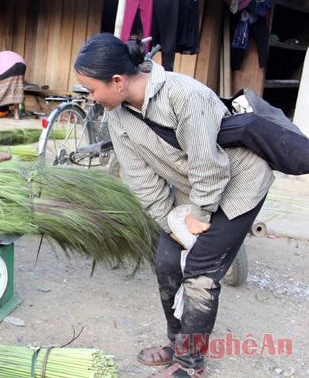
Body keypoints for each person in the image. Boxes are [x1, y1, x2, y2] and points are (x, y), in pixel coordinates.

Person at [74, 33, 273, 377]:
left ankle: (190, 363)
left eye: (92, 90)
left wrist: (199, 215)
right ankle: (178, 342)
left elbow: (207, 165)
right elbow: (141, 180)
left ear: (117, 81)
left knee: (199, 273)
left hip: (238, 184)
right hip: (190, 189)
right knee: (167, 262)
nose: (91, 98)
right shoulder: (119, 116)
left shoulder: (185, 95)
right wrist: (170, 224)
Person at [0, 47, 26, 120]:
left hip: (11, 66)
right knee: (15, 90)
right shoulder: (1, 56)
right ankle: (16, 115)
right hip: (22, 65)